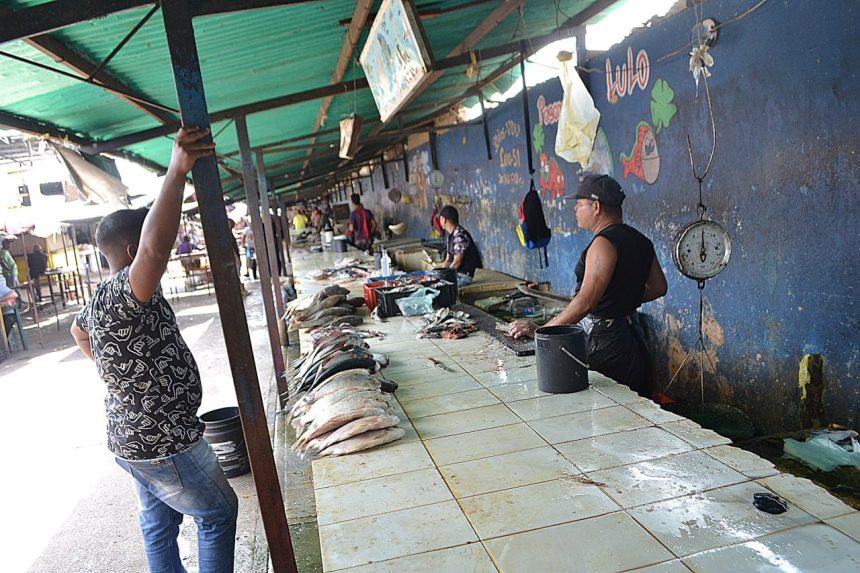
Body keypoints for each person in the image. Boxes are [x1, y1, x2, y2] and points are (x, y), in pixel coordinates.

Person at [69, 127, 239, 573]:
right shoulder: (127, 290)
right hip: (163, 441)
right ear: (130, 250)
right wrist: (176, 170)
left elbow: (77, 332)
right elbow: (154, 249)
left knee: (158, 524)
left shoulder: (98, 299)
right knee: (217, 514)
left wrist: (115, 373)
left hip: (130, 439)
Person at [509, 174, 668, 397]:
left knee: (606, 406)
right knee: (631, 404)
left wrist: (543, 331)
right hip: (631, 337)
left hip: (605, 342)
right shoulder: (641, 240)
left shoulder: (603, 243)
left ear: (595, 206)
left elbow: (585, 303)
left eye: (579, 204)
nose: (575, 210)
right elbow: (659, 287)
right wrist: (623, 298)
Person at [438, 205, 483, 287]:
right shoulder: (451, 236)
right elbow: (448, 259)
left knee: (442, 288)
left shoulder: (460, 235)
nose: (439, 221)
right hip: (456, 274)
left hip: (463, 276)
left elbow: (457, 262)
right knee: (436, 282)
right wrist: (439, 273)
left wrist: (445, 276)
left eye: (440, 218)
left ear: (444, 219)